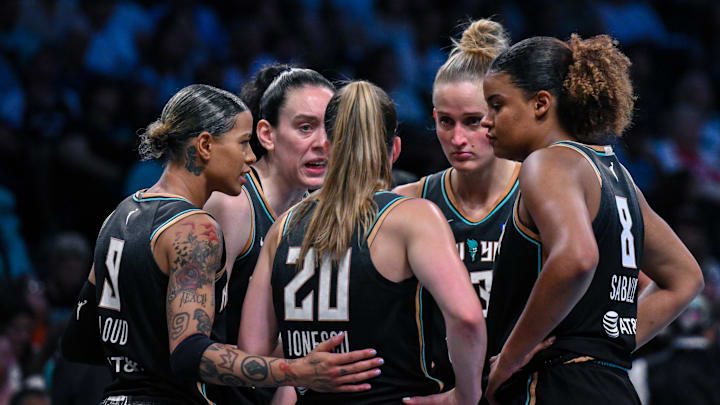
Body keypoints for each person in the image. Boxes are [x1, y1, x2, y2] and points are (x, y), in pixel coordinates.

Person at [59, 84, 382, 405]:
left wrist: (142, 350)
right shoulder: (195, 229)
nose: (251, 156)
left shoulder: (119, 215)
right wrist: (294, 370)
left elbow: (78, 341)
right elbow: (189, 353)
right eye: (242, 144)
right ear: (204, 145)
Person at [478, 35, 704, 404]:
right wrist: (605, 343)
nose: (486, 121)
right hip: (613, 387)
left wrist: (510, 357)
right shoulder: (617, 175)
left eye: (497, 105)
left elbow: (576, 259)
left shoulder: (547, 162)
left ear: (540, 104)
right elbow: (685, 279)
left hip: (555, 386)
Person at [239, 81, 486, 405]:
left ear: (327, 146)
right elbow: (467, 319)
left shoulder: (284, 227)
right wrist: (464, 398)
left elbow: (250, 353)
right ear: (394, 149)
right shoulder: (412, 218)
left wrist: (300, 369)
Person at [393, 19, 517, 392]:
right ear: (433, 118)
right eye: (446, 122)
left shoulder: (543, 195)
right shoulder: (407, 202)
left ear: (499, 115)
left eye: (472, 121)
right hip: (439, 392)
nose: (458, 138)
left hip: (527, 390)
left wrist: (585, 353)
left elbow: (634, 287)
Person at [203, 64, 335, 404]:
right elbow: (194, 344)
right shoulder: (234, 206)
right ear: (266, 134)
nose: (322, 143)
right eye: (305, 128)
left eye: (331, 129)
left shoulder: (319, 216)